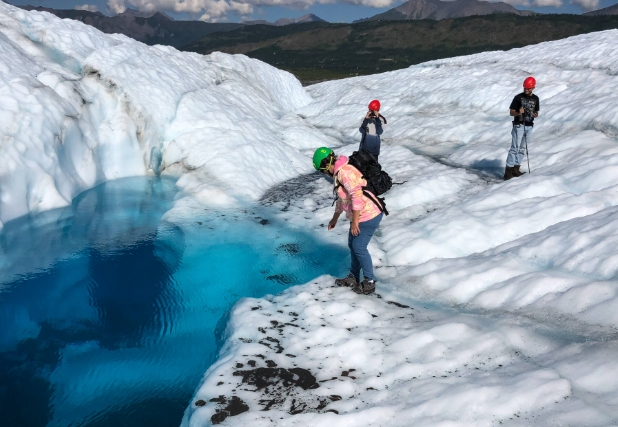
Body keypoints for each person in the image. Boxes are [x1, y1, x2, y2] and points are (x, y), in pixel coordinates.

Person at [312, 147, 384, 295]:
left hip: (369, 214)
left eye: (321, 170)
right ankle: (354, 277)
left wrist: (356, 221)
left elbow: (356, 195)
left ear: (326, 166)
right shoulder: (339, 173)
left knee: (358, 246)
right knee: (352, 244)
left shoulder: (345, 173)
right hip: (359, 215)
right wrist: (335, 218)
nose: (323, 173)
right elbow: (342, 198)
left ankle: (369, 281)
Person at [504, 77, 540, 180]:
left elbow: (536, 112)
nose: (526, 90)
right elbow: (511, 112)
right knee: (514, 148)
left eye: (528, 88)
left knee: (522, 148)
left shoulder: (536, 99)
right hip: (519, 125)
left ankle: (516, 169)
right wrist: (519, 112)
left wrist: (535, 114)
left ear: (533, 87)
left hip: (529, 126)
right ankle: (508, 172)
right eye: (525, 88)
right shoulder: (518, 98)